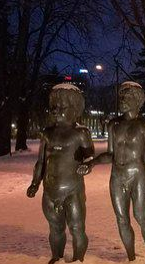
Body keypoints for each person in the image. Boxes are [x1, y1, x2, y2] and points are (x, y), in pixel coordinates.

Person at [77, 81, 145, 263]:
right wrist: (92, 163)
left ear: (137, 100)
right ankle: (131, 257)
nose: (122, 99)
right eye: (121, 96)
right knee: (122, 219)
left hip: (138, 174)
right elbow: (111, 155)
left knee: (141, 215)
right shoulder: (114, 125)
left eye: (127, 96)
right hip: (117, 176)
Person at [26, 84, 94, 264]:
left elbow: (89, 157)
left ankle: (79, 258)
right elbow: (41, 162)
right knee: (55, 228)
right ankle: (57, 256)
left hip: (72, 189)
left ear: (74, 109)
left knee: (77, 227)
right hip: (50, 190)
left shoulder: (81, 133)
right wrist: (35, 182)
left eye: (61, 107)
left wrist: (87, 165)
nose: (56, 111)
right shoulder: (47, 133)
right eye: (54, 106)